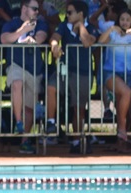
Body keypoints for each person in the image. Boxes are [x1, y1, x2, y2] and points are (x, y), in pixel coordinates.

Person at [45, 0, 96, 154]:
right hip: (65, 69)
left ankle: (76, 141)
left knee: (78, 109)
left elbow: (87, 42)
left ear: (80, 14)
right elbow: (54, 37)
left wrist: (81, 26)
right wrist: (54, 45)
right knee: (51, 87)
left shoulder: (91, 27)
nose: (66, 15)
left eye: (70, 12)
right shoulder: (63, 26)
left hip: (83, 72)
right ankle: (51, 122)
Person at [1, 0, 49, 154]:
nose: (37, 12)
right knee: (16, 83)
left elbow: (41, 36)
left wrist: (32, 40)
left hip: (34, 69)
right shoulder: (11, 24)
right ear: (24, 8)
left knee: (29, 109)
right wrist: (22, 30)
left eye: (38, 9)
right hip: (16, 64)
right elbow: (4, 39)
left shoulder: (40, 24)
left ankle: (25, 140)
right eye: (34, 9)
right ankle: (18, 122)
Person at [99, 8, 131, 149]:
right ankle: (122, 131)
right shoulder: (113, 33)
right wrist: (111, 29)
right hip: (110, 73)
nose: (124, 22)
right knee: (127, 92)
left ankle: (121, 138)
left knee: (123, 109)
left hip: (127, 75)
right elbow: (101, 41)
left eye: (127, 20)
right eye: (122, 19)